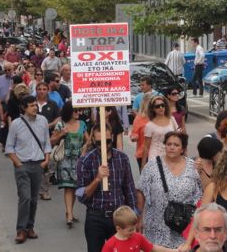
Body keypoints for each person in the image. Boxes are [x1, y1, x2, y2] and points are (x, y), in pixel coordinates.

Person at [76, 122, 138, 252]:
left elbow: (129, 188)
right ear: (93, 140)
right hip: (95, 216)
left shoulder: (122, 158)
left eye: (108, 141)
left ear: (113, 137)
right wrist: (97, 179)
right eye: (99, 143)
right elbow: (82, 196)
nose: (104, 145)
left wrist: (134, 216)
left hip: (119, 217)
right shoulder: (85, 160)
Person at [137, 131, 202, 248]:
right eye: (169, 144)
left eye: (176, 145)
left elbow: (202, 193)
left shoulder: (193, 167)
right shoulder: (152, 165)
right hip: (156, 227)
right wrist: (139, 217)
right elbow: (141, 191)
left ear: (183, 149)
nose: (171, 147)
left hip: (182, 226)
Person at [5, 95, 52, 244]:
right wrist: (18, 163)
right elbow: (9, 147)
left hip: (38, 165)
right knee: (25, 197)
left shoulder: (43, 121)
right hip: (22, 165)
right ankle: (21, 229)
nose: (35, 108)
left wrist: (46, 160)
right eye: (31, 105)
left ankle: (30, 227)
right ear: (24, 108)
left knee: (33, 199)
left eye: (35, 105)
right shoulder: (16, 124)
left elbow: (47, 143)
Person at [51, 101, 89, 227]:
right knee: (68, 187)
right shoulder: (60, 124)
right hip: (65, 160)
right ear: (69, 111)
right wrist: (61, 134)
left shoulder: (82, 124)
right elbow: (51, 141)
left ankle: (69, 212)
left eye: (79, 110)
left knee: (75, 187)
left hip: (79, 160)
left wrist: (84, 150)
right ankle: (70, 215)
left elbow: (88, 141)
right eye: (76, 110)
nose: (79, 113)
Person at [101, 206, 177, 252]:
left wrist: (174, 250)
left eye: (135, 228)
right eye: (130, 230)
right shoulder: (110, 245)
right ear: (118, 228)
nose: (134, 231)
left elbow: (153, 248)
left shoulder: (138, 237)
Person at [35, 81, 61, 200]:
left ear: (47, 91)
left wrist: (48, 125)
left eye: (44, 89)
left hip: (48, 138)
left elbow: (58, 118)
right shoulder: (32, 103)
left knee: (46, 164)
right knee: (34, 163)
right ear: (36, 90)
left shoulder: (52, 104)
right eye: (39, 89)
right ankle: (34, 189)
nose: (42, 91)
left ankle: (44, 190)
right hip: (32, 138)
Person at [143, 95, 178, 164]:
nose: (161, 108)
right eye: (157, 106)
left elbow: (178, 139)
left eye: (162, 105)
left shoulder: (172, 120)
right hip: (155, 157)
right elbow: (146, 147)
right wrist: (143, 164)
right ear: (153, 109)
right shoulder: (149, 125)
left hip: (170, 155)